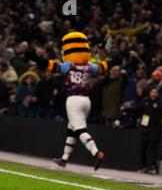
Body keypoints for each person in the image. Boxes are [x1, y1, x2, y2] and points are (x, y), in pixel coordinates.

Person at [27, 31, 120, 170]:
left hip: (73, 99)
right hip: (86, 101)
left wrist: (36, 58)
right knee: (72, 129)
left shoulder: (68, 66)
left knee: (79, 130)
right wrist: (115, 61)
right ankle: (64, 159)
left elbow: (50, 66)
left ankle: (96, 153)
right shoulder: (90, 67)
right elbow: (104, 66)